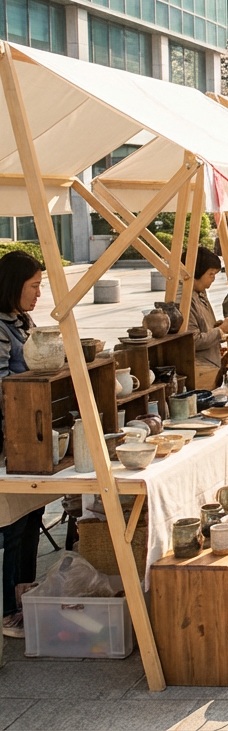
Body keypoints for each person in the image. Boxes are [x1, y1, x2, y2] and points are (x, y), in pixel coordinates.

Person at [0, 251, 50, 638]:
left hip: (30, 437)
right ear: (13, 285)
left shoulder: (21, 321)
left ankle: (27, 597)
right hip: (9, 441)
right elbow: (3, 385)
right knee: (15, 522)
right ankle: (10, 611)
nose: (38, 294)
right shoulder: (1, 328)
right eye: (34, 286)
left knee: (34, 512)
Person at [190, 247, 228, 389]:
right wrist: (221, 330)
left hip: (210, 366)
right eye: (211, 274)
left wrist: (222, 326)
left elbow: (206, 328)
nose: (213, 278)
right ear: (197, 272)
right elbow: (193, 341)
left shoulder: (200, 294)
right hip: (200, 371)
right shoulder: (185, 300)